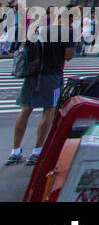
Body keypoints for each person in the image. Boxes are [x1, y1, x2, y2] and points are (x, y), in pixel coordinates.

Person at [8, 13, 75, 165]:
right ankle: (37, 152)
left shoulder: (41, 29)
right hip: (51, 75)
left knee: (25, 110)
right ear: (70, 20)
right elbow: (68, 55)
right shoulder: (68, 32)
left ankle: (15, 151)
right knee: (49, 110)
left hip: (33, 74)